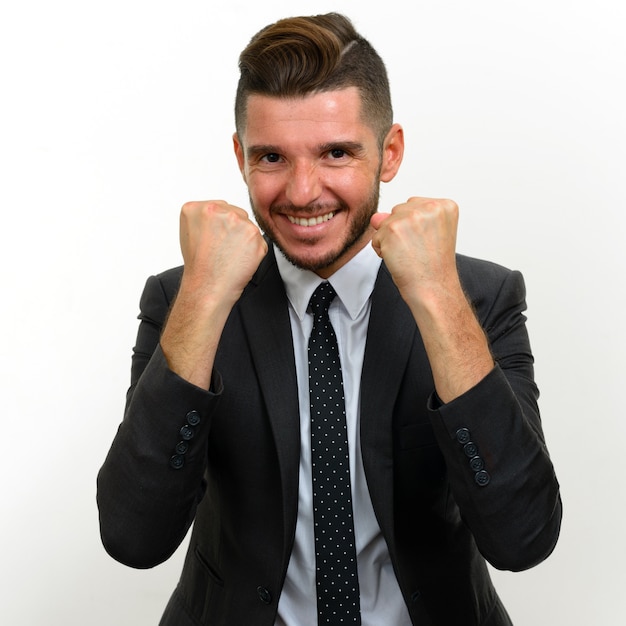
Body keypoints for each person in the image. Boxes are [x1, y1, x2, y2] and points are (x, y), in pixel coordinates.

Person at [97, 12, 562, 626]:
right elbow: (134, 538)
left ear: (389, 153)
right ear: (240, 158)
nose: (303, 191)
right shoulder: (183, 298)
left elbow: (523, 538)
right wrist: (205, 297)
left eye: (336, 152)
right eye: (271, 158)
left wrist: (437, 295)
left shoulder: (477, 296)